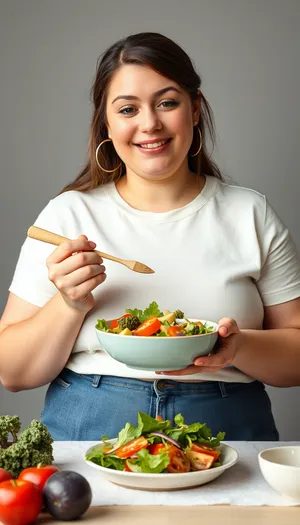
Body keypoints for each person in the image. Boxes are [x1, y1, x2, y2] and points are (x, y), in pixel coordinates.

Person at [1, 32, 300, 442]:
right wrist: (69, 303)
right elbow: (12, 373)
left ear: (195, 109)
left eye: (167, 102)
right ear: (106, 122)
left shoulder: (250, 213)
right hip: (88, 430)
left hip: (229, 433)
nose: (150, 124)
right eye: (128, 109)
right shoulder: (68, 215)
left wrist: (238, 347)